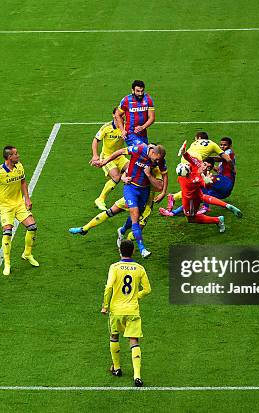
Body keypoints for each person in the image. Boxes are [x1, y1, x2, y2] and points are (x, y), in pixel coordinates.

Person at [93, 144, 167, 258]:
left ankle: (122, 231)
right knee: (134, 214)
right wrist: (104, 162)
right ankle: (142, 249)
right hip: (131, 188)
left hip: (145, 194)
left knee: (135, 218)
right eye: (157, 159)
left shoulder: (159, 161)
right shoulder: (140, 149)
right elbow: (121, 151)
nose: (157, 161)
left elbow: (164, 175)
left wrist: (163, 192)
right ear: (153, 153)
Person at [101, 239, 151, 387]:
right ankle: (137, 376)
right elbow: (147, 289)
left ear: (120, 251)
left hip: (116, 310)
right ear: (133, 251)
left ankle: (116, 369)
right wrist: (137, 296)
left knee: (114, 336)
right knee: (134, 341)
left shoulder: (114, 267)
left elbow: (109, 287)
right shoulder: (140, 268)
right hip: (132, 310)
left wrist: (105, 305)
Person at [69, 167, 163, 236]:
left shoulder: (157, 170)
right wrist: (124, 179)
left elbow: (159, 187)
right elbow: (123, 176)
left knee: (135, 233)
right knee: (109, 212)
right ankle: (84, 228)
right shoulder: (138, 164)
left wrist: (148, 175)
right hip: (131, 198)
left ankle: (124, 238)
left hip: (145, 205)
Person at [168, 142, 241, 230]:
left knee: (191, 218)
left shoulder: (192, 180)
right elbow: (189, 158)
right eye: (205, 165)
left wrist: (208, 182)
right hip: (197, 194)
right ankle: (226, 206)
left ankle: (217, 220)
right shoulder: (197, 165)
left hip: (190, 199)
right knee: (204, 196)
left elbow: (205, 185)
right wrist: (184, 152)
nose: (205, 167)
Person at [0, 146, 39, 274]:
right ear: (9, 157)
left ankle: (27, 254)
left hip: (19, 204)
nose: (18, 155)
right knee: (7, 233)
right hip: (5, 207)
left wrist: (27, 199)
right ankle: (7, 263)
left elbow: (23, 181)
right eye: (16, 154)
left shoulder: (19, 167)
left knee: (32, 227)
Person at [164, 132, 233, 213]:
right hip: (196, 161)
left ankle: (176, 201)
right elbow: (227, 159)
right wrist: (233, 168)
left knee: (191, 184)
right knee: (199, 184)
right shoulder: (213, 144)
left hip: (185, 160)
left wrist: (212, 166)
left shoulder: (194, 143)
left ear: (199, 138)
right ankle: (203, 205)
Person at [91, 108, 129, 211]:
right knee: (116, 177)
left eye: (122, 115)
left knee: (133, 170)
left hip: (120, 156)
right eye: (119, 115)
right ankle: (100, 199)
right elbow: (95, 140)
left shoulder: (125, 127)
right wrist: (95, 155)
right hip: (107, 157)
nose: (121, 117)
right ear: (113, 115)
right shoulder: (106, 127)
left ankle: (128, 201)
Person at [114, 80, 155, 146]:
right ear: (133, 90)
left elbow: (152, 118)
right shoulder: (126, 100)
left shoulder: (148, 99)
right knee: (143, 148)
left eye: (142, 91)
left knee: (144, 155)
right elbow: (117, 114)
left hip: (143, 134)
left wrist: (142, 127)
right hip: (130, 134)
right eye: (138, 91)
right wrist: (122, 130)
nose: (140, 93)